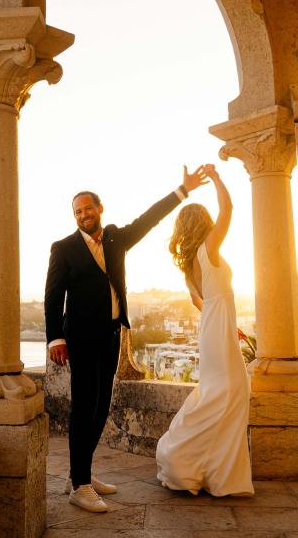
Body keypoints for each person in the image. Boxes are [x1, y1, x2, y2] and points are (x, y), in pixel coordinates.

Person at [44, 166, 208, 513]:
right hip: (82, 338)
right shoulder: (63, 248)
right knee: (84, 407)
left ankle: (84, 472)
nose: (83, 214)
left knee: (102, 406)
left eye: (88, 208)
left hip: (111, 334)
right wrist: (55, 338)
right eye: (77, 211)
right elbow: (52, 296)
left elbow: (150, 219)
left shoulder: (117, 238)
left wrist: (182, 190)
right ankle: (79, 485)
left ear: (99, 209)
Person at [156, 164, 254, 497]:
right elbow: (228, 208)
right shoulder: (209, 249)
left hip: (213, 327)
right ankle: (206, 468)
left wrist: (228, 323)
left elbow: (202, 303)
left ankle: (210, 469)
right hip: (217, 327)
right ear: (204, 224)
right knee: (231, 392)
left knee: (219, 393)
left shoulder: (189, 265)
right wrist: (214, 176)